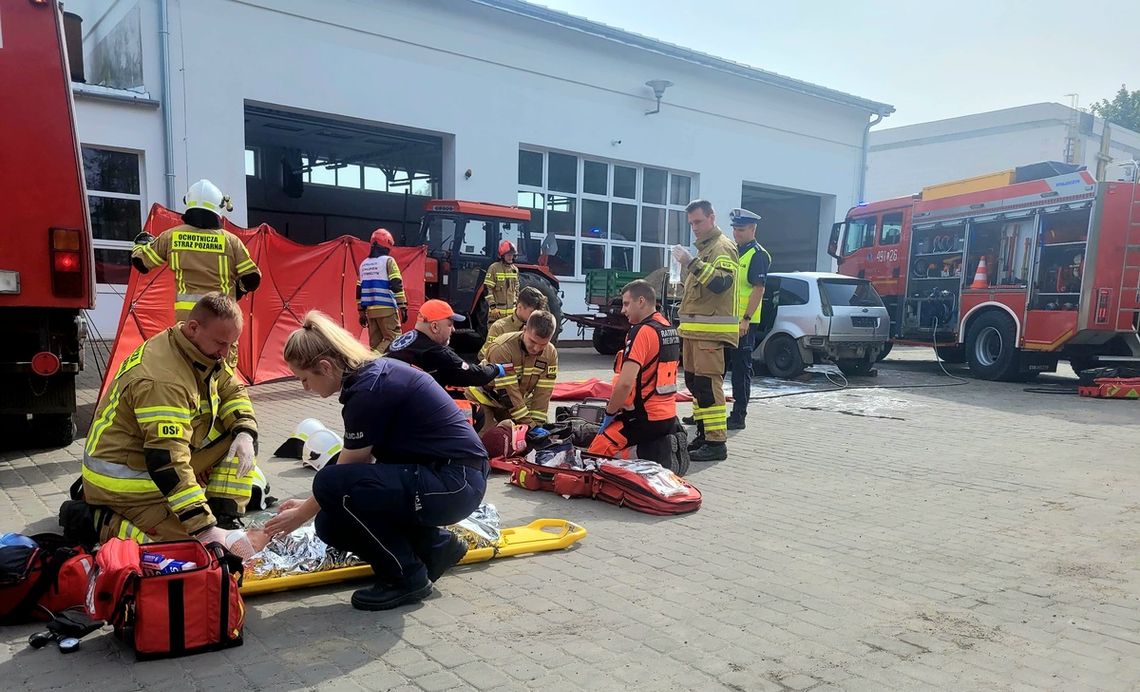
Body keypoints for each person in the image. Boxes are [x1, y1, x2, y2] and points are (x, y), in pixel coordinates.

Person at [265, 311, 487, 611]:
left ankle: (407, 577)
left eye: (304, 379)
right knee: (331, 522)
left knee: (329, 485)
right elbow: (352, 461)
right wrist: (310, 504)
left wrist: (301, 513)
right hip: (449, 477)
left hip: (453, 482)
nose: (305, 388)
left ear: (326, 366)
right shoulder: (371, 377)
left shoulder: (369, 390)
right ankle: (434, 546)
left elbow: (346, 470)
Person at [80, 293, 262, 549]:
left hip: (147, 461)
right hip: (128, 482)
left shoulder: (198, 350)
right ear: (194, 328)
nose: (225, 353)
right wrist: (204, 528)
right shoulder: (163, 381)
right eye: (221, 343)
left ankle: (226, 517)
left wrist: (244, 432)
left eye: (231, 345)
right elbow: (167, 462)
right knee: (188, 550)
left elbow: (232, 390)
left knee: (241, 433)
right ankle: (97, 519)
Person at [131, 179, 261, 325]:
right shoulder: (231, 241)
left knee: (186, 348)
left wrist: (141, 243)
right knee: (222, 347)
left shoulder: (171, 237)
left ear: (189, 203)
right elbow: (252, 278)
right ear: (219, 206)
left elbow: (141, 263)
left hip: (187, 321)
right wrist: (236, 291)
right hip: (223, 317)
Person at [672, 199, 739, 462]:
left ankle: (716, 442)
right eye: (691, 223)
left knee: (709, 386)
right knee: (697, 385)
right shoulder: (706, 250)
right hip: (695, 333)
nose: (694, 228)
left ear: (712, 218)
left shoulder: (722, 248)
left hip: (710, 334)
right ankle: (703, 433)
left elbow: (722, 282)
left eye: (698, 222)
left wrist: (691, 263)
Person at [587, 280, 684, 460]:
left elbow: (625, 384)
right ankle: (659, 448)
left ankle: (654, 455)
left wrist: (610, 414)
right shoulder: (668, 328)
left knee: (596, 451)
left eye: (626, 304)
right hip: (668, 416)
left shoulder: (641, 332)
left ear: (641, 301)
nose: (623, 310)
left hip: (644, 418)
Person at [385, 299, 510, 424]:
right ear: (434, 326)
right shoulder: (434, 352)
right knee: (475, 413)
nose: (454, 330)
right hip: (407, 414)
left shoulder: (399, 342)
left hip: (389, 406)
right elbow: (474, 375)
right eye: (450, 324)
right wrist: (496, 369)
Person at [466, 310, 558, 433]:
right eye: (532, 341)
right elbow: (508, 392)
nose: (536, 348)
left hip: (510, 405)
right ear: (524, 330)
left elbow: (543, 393)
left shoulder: (550, 353)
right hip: (483, 398)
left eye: (543, 344)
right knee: (490, 440)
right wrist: (529, 425)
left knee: (522, 441)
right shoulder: (502, 348)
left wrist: (537, 424)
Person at [725, 208, 771, 430]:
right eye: (734, 228)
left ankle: (738, 414)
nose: (736, 233)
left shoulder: (758, 255)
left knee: (741, 370)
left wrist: (745, 319)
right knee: (717, 367)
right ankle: (706, 412)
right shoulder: (734, 251)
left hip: (744, 322)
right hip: (726, 320)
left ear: (753, 229)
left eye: (741, 229)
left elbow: (758, 289)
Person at [357, 227, 408, 352]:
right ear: (388, 245)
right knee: (394, 338)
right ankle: (372, 359)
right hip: (387, 308)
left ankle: (373, 364)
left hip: (370, 311)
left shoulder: (363, 264)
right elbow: (396, 284)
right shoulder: (389, 261)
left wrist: (361, 312)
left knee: (375, 343)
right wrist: (403, 305)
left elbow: (359, 290)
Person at [479, 286, 546, 359]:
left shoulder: (539, 328)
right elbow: (484, 356)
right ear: (520, 307)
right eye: (532, 312)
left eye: (539, 312)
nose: (536, 316)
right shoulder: (499, 328)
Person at [484, 240, 519, 322]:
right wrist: (493, 307)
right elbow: (487, 289)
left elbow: (517, 290)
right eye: (508, 255)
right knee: (494, 335)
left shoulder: (515, 270)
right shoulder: (494, 268)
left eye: (512, 255)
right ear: (502, 255)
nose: (510, 257)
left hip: (511, 316)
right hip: (497, 314)